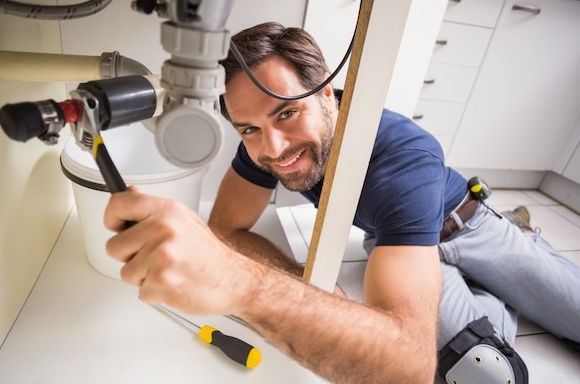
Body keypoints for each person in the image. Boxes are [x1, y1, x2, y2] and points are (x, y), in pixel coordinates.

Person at [105, 22, 580, 384]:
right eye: (248, 128)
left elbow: (404, 361)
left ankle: (519, 238)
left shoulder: (403, 152)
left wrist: (251, 287)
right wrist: (305, 287)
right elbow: (226, 230)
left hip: (469, 227)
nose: (272, 147)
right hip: (396, 243)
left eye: (287, 112)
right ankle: (505, 288)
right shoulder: (263, 142)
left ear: (327, 95)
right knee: (485, 372)